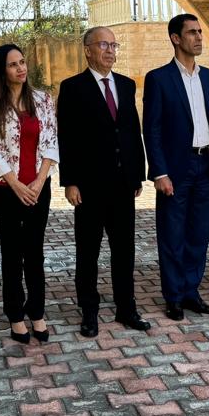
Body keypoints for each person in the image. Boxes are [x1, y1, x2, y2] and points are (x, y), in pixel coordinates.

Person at [57, 26, 150, 338]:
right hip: (89, 186)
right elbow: (67, 137)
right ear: (88, 50)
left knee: (124, 250)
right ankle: (89, 310)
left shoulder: (125, 85)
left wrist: (137, 173)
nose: (110, 51)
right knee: (88, 252)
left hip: (123, 184)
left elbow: (131, 130)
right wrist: (70, 182)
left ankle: (126, 308)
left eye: (114, 45)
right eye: (103, 45)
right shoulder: (72, 87)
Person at [143, 13, 209, 319]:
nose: (198, 37)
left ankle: (191, 291)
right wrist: (160, 172)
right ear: (176, 38)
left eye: (200, 32)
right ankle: (174, 296)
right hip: (176, 168)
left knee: (199, 233)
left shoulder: (208, 77)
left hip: (206, 164)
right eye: (192, 32)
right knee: (172, 233)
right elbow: (151, 129)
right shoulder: (158, 78)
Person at [0, 44, 59, 343]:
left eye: (22, 62)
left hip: (38, 189)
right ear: (1, 71)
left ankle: (37, 312)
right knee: (12, 254)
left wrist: (38, 182)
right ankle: (15, 316)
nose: (21, 68)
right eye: (13, 64)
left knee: (35, 252)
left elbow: (51, 140)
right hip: (6, 191)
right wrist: (16, 185)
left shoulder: (42, 99)